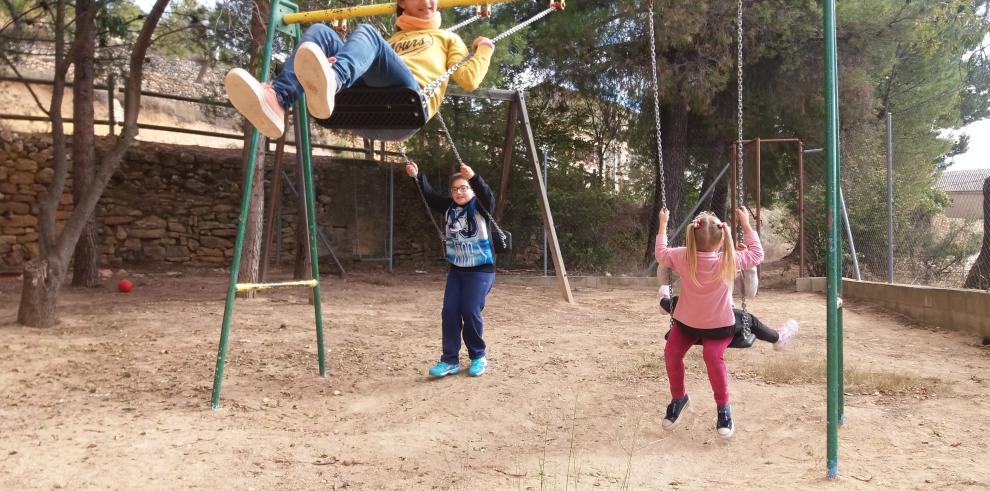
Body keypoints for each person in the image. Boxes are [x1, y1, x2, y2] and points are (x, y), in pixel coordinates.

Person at [225, 0, 495, 139]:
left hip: (407, 104)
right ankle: (278, 100)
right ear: (402, 2)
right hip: (362, 106)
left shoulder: (447, 38)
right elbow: (366, 58)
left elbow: (468, 79)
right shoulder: (389, 43)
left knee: (366, 32)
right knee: (320, 31)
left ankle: (334, 79)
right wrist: (332, 61)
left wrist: (484, 49)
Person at [655, 208, 763, 439]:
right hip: (688, 323)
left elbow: (661, 253)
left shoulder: (682, 255)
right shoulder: (728, 258)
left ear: (689, 239)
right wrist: (745, 224)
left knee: (674, 354)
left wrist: (663, 224)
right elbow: (756, 254)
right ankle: (680, 399)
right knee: (704, 357)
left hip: (716, 326)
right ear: (722, 238)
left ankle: (722, 408)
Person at [405, 161, 497, 378]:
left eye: (464, 188)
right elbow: (430, 196)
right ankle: (449, 360)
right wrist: (417, 176)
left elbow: (488, 197)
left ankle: (478, 356)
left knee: (470, 311)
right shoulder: (449, 207)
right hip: (457, 270)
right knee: (449, 312)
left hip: (481, 270)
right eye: (455, 189)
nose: (459, 193)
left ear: (471, 190)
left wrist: (474, 177)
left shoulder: (481, 207)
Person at [658, 290, 798, 350]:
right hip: (717, 325)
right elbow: (750, 290)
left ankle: (664, 303)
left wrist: (663, 228)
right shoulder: (726, 260)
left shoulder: (685, 258)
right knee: (749, 319)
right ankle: (778, 338)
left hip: (689, 322)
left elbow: (662, 255)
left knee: (686, 302)